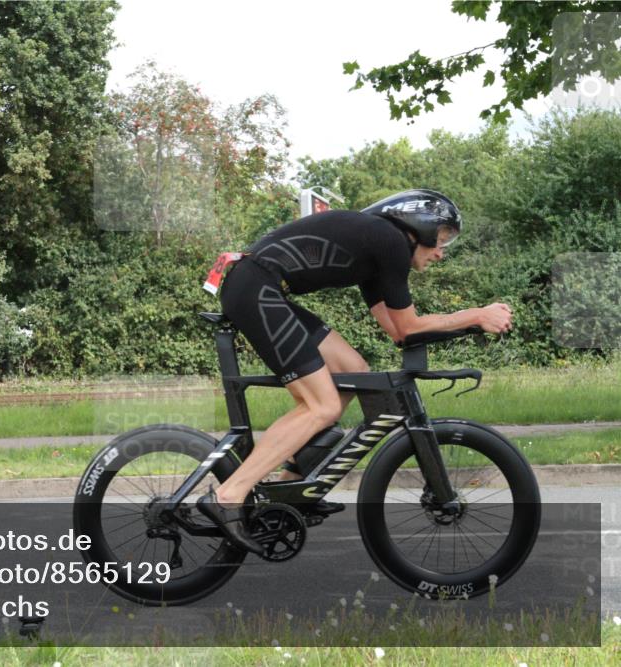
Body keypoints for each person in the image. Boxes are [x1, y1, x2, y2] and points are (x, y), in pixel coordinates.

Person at [196, 189, 514, 555]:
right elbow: (410, 327)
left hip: (260, 287)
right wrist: (476, 314)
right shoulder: (390, 242)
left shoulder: (377, 252)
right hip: (257, 287)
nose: (442, 252)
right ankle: (229, 494)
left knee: (353, 370)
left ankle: (291, 491)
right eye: (442, 240)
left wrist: (470, 324)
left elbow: (397, 331)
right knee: (322, 407)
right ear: (419, 228)